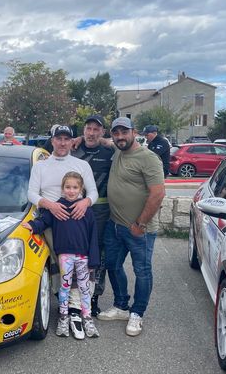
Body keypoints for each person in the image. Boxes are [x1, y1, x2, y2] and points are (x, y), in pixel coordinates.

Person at [27, 124, 98, 339]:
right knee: (60, 267)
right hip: (51, 220)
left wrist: (85, 202)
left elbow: (93, 192)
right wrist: (50, 205)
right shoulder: (40, 166)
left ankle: (78, 309)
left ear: (71, 141)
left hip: (76, 220)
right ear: (52, 140)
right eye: (59, 138)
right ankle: (63, 308)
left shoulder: (81, 165)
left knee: (81, 266)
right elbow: (31, 192)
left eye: (67, 139)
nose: (63, 143)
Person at [97, 117, 165, 337]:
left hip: (139, 229)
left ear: (134, 132)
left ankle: (137, 313)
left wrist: (140, 223)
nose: (119, 137)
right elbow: (105, 142)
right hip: (114, 225)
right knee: (113, 265)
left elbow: (158, 193)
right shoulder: (118, 150)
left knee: (142, 271)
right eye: (116, 133)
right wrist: (79, 138)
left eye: (124, 132)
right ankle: (121, 306)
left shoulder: (148, 158)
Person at [71, 114, 114, 317]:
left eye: (96, 129)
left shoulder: (109, 152)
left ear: (102, 132)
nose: (92, 133)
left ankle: (93, 297)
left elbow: (131, 147)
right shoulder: (74, 149)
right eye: (88, 128)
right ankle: (73, 298)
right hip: (74, 210)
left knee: (97, 256)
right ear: (83, 130)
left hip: (101, 212)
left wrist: (107, 141)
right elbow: (48, 148)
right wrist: (74, 139)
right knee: (75, 253)